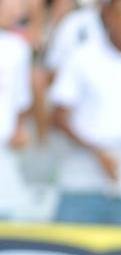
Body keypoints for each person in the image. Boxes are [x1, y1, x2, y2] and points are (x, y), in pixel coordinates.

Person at [49, 0, 121, 225]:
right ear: (106, 15)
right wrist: (98, 154)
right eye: (119, 15)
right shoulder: (82, 57)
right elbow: (59, 116)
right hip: (80, 182)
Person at [0, 0, 32, 220]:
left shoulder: (18, 48)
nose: (17, 10)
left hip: (5, 154)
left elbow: (21, 99)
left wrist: (19, 127)